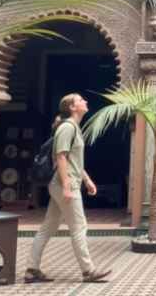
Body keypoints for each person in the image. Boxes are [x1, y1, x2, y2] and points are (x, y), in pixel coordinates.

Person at [24, 93, 111, 284]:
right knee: (79, 227)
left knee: (48, 227)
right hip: (65, 183)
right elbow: (61, 157)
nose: (85, 102)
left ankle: (31, 269)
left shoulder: (74, 128)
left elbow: (74, 161)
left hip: (68, 181)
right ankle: (88, 270)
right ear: (72, 107)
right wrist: (66, 186)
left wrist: (87, 180)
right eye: (81, 100)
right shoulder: (67, 128)